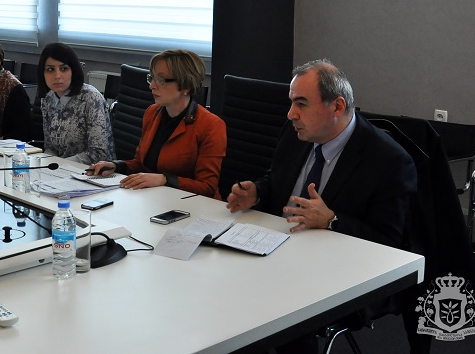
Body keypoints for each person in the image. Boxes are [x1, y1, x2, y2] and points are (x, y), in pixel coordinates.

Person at [225, 59, 417, 354]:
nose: (291, 114)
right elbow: (276, 180)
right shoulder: (295, 133)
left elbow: (388, 243)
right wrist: (258, 193)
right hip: (278, 249)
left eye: (301, 104)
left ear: (337, 106)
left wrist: (332, 220)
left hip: (334, 270)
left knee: (278, 309)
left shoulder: (388, 160)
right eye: (291, 103)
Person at [88, 49, 226, 198]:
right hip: (154, 198)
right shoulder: (152, 112)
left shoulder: (211, 125)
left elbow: (207, 187)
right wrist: (117, 166)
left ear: (186, 86)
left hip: (192, 204)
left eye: (161, 80)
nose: (152, 86)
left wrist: (165, 179)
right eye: (152, 78)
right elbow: (141, 164)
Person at [37, 42, 115, 164]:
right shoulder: (47, 99)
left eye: (64, 69)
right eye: (50, 69)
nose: (57, 76)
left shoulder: (91, 98)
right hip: (61, 169)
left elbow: (98, 153)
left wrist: (61, 165)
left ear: (73, 71)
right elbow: (50, 147)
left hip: (93, 170)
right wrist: (46, 163)